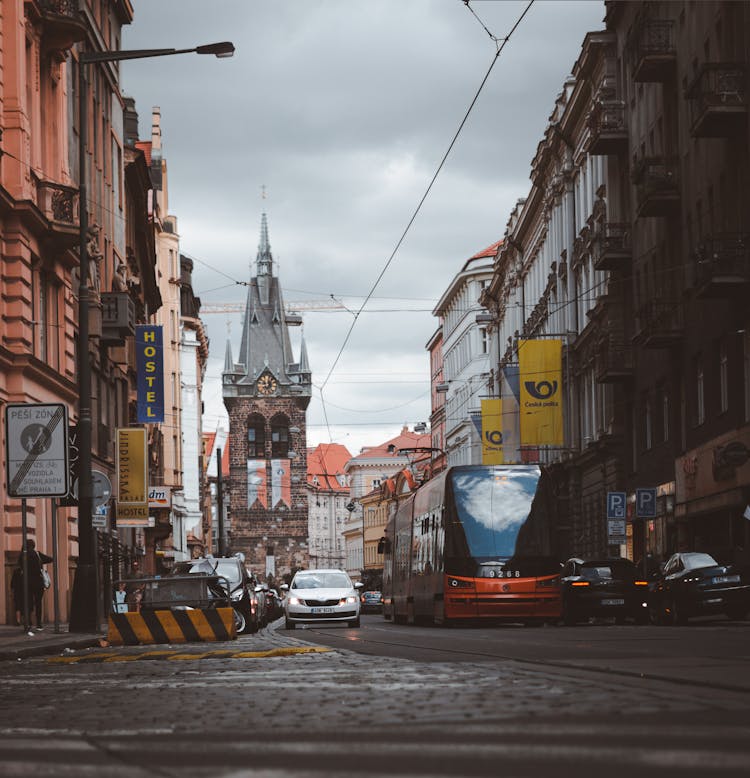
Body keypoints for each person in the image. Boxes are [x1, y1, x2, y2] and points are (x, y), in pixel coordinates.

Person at [20, 539, 53, 630]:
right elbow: (50, 559)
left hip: (27, 582)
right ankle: (38, 623)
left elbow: (20, 566)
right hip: (38, 582)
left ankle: (29, 623)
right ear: (33, 545)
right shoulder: (37, 554)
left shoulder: (23, 554)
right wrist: (41, 562)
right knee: (38, 603)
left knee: (28, 602)